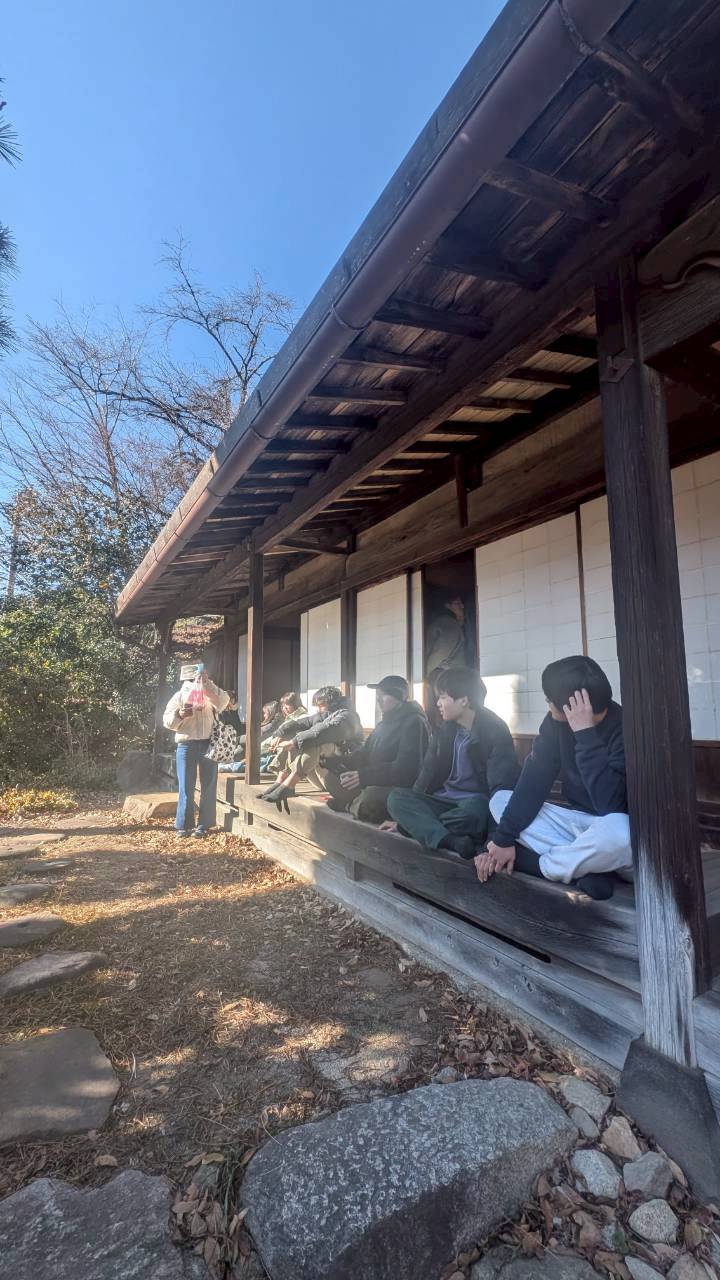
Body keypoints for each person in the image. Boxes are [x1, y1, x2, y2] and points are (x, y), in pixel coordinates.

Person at [475, 655, 631, 900]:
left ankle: (543, 866)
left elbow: (611, 806)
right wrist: (503, 839)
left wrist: (586, 735)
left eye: (549, 699)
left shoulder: (626, 727)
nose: (547, 702)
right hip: (577, 828)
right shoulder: (555, 724)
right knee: (500, 800)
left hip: (617, 835)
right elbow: (534, 781)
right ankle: (588, 868)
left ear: (572, 705)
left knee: (620, 832)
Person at [385, 668, 518, 858]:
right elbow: (426, 774)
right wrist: (406, 813)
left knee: (472, 816)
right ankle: (450, 840)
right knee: (396, 798)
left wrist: (495, 840)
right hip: (443, 800)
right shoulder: (445, 730)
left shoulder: (495, 730)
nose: (438, 703)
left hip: (474, 803)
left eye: (443, 697)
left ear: (463, 700)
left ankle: (425, 829)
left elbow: (502, 788)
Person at [323, 676, 430, 824]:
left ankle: (350, 806)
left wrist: (364, 776)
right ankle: (357, 805)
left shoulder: (414, 722)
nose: (378, 700)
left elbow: (406, 770)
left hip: (398, 787)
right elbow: (364, 753)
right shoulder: (384, 723)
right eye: (377, 696)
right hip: (373, 781)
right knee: (332, 779)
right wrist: (339, 761)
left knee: (372, 797)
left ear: (400, 696)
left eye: (383, 695)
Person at [261, 685, 363, 809]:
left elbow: (324, 731)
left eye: (321, 705)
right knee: (296, 738)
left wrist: (294, 742)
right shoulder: (326, 714)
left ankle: (289, 784)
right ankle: (281, 780)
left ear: (332, 703)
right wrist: (280, 733)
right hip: (324, 775)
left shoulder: (348, 717)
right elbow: (301, 723)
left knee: (316, 741)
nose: (318, 709)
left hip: (343, 778)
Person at [163, 664, 230, 837]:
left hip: (209, 743)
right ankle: (184, 824)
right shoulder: (180, 694)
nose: (199, 677)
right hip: (186, 744)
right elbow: (167, 721)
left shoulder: (211, 690)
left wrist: (207, 685)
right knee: (186, 785)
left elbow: (223, 702)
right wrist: (180, 714)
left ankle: (204, 824)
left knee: (209, 784)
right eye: (198, 675)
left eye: (203, 674)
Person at [425, 595, 467, 687]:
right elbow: (440, 653)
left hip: (447, 676)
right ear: (447, 606)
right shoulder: (448, 623)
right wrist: (426, 675)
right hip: (447, 677)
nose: (462, 606)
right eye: (457, 603)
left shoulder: (446, 622)